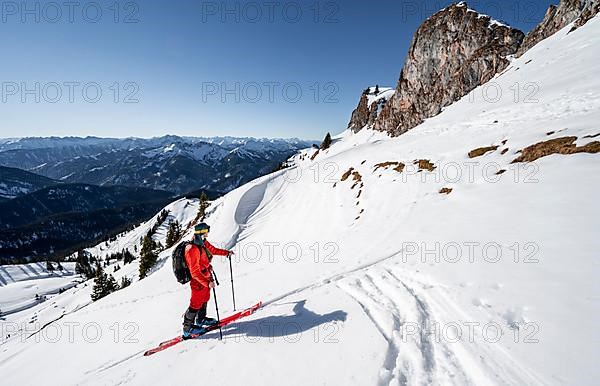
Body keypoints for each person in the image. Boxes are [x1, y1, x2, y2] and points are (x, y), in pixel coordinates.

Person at [182, 222, 233, 338]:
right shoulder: (191, 249)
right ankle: (187, 329)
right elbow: (194, 272)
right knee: (195, 303)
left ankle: (201, 320)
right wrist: (207, 282)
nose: (207, 235)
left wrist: (226, 253)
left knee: (205, 299)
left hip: (206, 277)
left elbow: (213, 250)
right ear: (200, 234)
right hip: (198, 281)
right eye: (205, 233)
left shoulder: (202, 244)